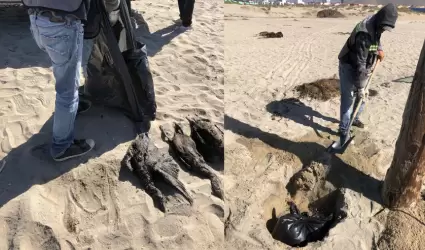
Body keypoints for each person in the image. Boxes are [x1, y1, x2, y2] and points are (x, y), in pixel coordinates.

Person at [22, 0, 120, 161]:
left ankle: (70, 112)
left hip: (37, 21)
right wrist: (113, 9)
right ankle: (61, 146)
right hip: (62, 24)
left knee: (65, 75)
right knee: (67, 91)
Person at [337, 3, 397, 146]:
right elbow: (360, 63)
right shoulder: (364, 32)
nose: (383, 30)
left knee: (362, 97)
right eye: (384, 27)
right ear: (381, 20)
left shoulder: (376, 22)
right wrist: (360, 87)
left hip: (361, 63)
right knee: (348, 98)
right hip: (349, 64)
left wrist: (378, 50)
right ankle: (344, 129)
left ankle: (355, 118)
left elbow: (375, 41)